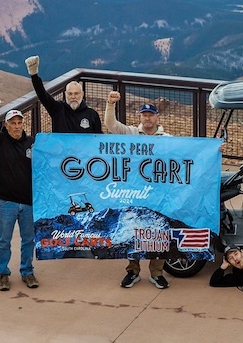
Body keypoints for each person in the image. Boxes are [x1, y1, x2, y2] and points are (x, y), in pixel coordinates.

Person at [104, 91, 170, 289]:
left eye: (151, 115)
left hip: (158, 191)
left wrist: (212, 149)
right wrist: (110, 104)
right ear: (140, 117)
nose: (147, 118)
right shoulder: (131, 133)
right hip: (134, 191)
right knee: (131, 230)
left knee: (158, 231)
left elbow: (188, 153)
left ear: (157, 117)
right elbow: (111, 125)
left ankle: (157, 272)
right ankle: (133, 271)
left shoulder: (167, 138)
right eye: (144, 115)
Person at [0, 89, 39, 291]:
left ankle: (27, 271)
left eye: (19, 123)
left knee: (28, 240)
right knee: (4, 240)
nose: (16, 126)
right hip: (6, 202)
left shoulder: (32, 143)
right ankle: (3, 273)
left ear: (23, 124)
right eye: (12, 123)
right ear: (6, 125)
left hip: (28, 201)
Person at [25, 55, 102, 134]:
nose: (73, 97)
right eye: (70, 94)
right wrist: (34, 75)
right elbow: (43, 95)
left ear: (82, 94)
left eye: (76, 93)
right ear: (65, 94)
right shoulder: (58, 109)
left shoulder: (92, 114)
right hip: (60, 146)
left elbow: (99, 139)